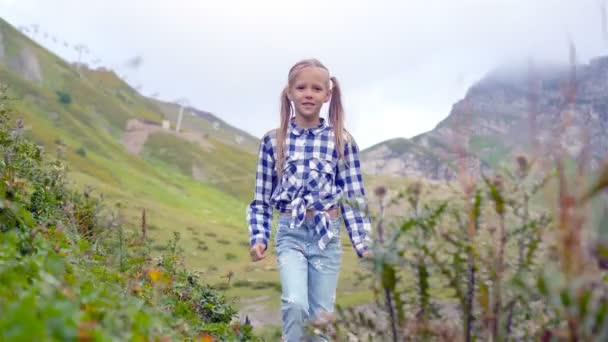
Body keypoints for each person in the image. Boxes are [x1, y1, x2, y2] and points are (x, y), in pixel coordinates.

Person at [246, 58, 372, 341]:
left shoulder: (341, 141)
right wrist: (259, 237)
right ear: (289, 92)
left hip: (327, 238)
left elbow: (353, 197)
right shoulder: (273, 141)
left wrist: (364, 244)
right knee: (294, 303)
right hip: (291, 233)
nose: (308, 93)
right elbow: (261, 198)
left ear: (327, 95)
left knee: (321, 318)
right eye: (301, 87)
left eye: (316, 88)